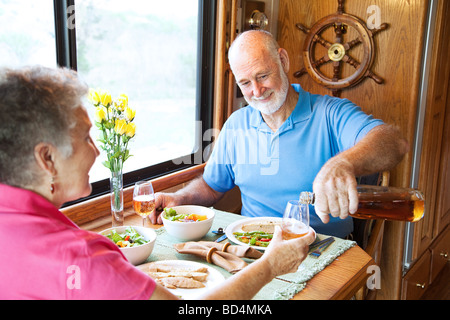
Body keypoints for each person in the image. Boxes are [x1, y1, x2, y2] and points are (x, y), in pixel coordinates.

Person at [0, 66, 314, 300]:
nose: (97, 151)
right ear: (47, 159)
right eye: (85, 137)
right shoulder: (82, 257)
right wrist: (270, 266)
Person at [150, 30, 409, 238]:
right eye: (245, 83)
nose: (257, 90)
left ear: (282, 61)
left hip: (322, 251)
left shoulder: (330, 113)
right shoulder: (237, 125)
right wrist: (179, 198)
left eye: (263, 75)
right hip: (253, 247)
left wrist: (343, 163)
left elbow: (392, 141)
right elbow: (211, 186)